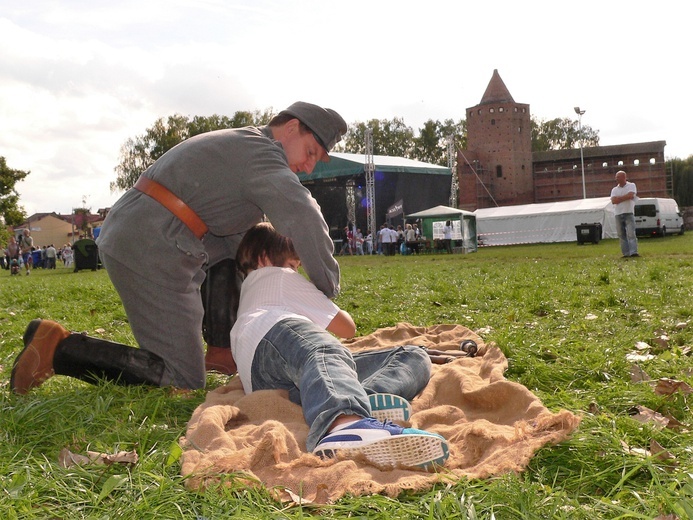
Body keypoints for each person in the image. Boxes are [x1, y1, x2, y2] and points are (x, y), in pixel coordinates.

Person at [10, 101, 348, 394]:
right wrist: (323, 291)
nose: (308, 167)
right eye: (310, 153)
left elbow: (244, 251)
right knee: (182, 379)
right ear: (291, 128)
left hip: (150, 235)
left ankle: (220, 352)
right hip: (151, 245)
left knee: (239, 251)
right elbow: (303, 215)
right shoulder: (260, 154)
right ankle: (58, 349)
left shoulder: (244, 148)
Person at [230, 222, 449, 470]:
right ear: (264, 258)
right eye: (293, 264)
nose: (295, 270)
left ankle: (359, 403)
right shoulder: (277, 277)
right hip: (273, 337)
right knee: (326, 351)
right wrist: (316, 286)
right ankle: (347, 425)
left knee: (413, 355)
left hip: (274, 378)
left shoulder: (248, 293)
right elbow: (347, 327)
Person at [610, 170, 639, 258]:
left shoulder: (631, 185)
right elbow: (613, 201)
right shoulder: (614, 189)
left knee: (631, 233)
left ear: (624, 177)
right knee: (621, 234)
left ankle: (633, 252)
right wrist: (625, 197)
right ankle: (626, 253)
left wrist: (619, 199)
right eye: (616, 177)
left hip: (628, 212)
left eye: (618, 177)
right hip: (618, 214)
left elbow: (630, 196)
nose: (616, 179)